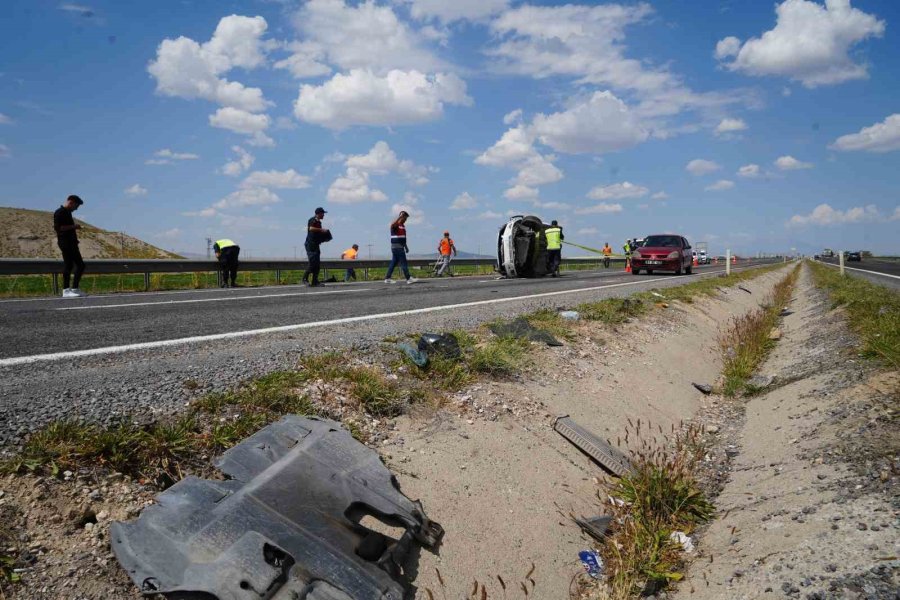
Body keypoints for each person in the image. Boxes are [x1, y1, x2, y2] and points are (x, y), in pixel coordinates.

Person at [53, 194, 87, 297]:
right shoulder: (60, 212)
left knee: (80, 265)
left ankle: (75, 289)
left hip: (71, 242)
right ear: (70, 202)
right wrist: (74, 226)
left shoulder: (67, 213)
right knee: (69, 265)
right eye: (76, 206)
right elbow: (58, 228)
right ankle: (66, 290)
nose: (76, 209)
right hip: (65, 242)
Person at [384, 211, 418, 285]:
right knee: (404, 263)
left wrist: (406, 247)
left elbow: (403, 238)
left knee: (393, 263)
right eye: (405, 218)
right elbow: (393, 224)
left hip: (399, 247)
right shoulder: (396, 225)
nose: (406, 220)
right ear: (402, 217)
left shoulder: (402, 226)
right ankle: (408, 279)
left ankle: (387, 278)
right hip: (397, 247)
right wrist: (399, 217)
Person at [303, 207, 330, 287]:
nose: (324, 215)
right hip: (310, 245)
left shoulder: (319, 222)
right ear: (318, 213)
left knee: (317, 264)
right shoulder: (312, 220)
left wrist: (324, 238)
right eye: (323, 213)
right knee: (312, 263)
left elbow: (317, 233)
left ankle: (315, 281)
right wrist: (321, 230)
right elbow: (311, 228)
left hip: (316, 245)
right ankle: (305, 279)